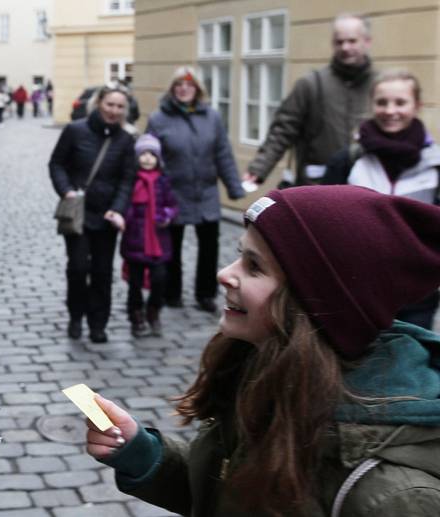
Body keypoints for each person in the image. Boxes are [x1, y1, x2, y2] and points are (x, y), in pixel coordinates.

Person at [86, 185, 440, 516]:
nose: (225, 274)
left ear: (315, 303)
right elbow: (231, 493)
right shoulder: (269, 372)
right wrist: (141, 453)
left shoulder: (394, 498)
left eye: (255, 266)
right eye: (241, 256)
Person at [323, 69, 440, 330]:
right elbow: (322, 224)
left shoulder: (436, 165)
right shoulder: (348, 160)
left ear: (417, 106)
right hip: (356, 289)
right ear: (372, 105)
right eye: (382, 102)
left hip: (417, 295)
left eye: (400, 102)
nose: (390, 110)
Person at [146, 67, 245, 313]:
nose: (184, 89)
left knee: (209, 247)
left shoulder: (212, 117)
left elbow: (222, 153)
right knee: (173, 247)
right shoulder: (158, 119)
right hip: (173, 194)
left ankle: (205, 294)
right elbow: (149, 157)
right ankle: (172, 292)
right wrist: (153, 192)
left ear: (198, 89)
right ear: (172, 89)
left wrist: (234, 187)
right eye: (179, 85)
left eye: (189, 85)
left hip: (206, 194)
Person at [245, 13, 375, 188]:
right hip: (318, 187)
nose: (345, 47)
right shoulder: (311, 84)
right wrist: (258, 169)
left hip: (366, 186)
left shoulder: (380, 86)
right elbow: (283, 130)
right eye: (339, 42)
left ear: (367, 41)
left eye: (352, 41)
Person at [49, 84, 135, 343]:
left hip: (107, 216)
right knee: (77, 267)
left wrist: (118, 209)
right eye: (110, 104)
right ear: (99, 104)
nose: (114, 110)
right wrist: (66, 190)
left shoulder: (126, 139)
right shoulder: (76, 131)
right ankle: (76, 316)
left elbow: (127, 180)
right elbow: (57, 164)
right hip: (78, 213)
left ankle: (98, 323)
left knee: (102, 272)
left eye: (120, 107)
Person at [120, 134, 178, 338]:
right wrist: (125, 217)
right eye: (143, 154)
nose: (147, 158)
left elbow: (172, 205)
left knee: (159, 279)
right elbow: (123, 204)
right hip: (135, 241)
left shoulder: (163, 181)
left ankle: (153, 311)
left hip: (158, 241)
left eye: (151, 154)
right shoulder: (131, 181)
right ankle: (136, 315)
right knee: (134, 283)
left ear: (158, 158)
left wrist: (167, 216)